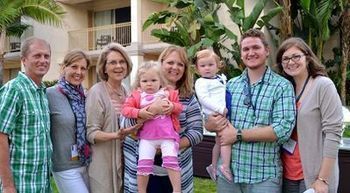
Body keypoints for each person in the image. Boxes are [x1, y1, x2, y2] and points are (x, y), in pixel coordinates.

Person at [205, 28, 296, 193]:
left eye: (256, 47)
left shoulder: (282, 86)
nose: (251, 52)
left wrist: (238, 134)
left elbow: (283, 129)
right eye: (246, 49)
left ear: (267, 51)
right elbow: (213, 118)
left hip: (263, 176)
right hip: (229, 174)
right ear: (241, 54)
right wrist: (210, 123)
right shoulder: (231, 85)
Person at [123, 45, 203, 193]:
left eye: (180, 64)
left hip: (176, 170)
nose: (175, 67)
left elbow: (197, 132)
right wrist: (150, 110)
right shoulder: (139, 93)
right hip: (144, 168)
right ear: (161, 64)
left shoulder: (188, 97)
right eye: (170, 62)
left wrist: (170, 144)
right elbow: (125, 125)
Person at [276, 37, 343, 193]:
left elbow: (333, 134)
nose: (290, 62)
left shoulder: (323, 85)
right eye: (285, 59)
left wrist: (323, 179)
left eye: (296, 56)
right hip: (286, 174)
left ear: (307, 58)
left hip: (313, 177)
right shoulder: (285, 89)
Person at [122, 61, 183, 193]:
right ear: (139, 83)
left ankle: (177, 190)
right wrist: (139, 112)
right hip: (147, 138)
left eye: (153, 80)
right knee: (143, 165)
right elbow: (126, 110)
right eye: (145, 81)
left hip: (167, 136)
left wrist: (172, 106)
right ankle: (142, 191)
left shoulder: (168, 94)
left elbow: (179, 108)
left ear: (160, 81)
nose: (149, 83)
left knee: (172, 162)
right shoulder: (137, 96)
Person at [0, 37, 52, 193]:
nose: (43, 60)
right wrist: (8, 186)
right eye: (37, 56)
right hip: (20, 184)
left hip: (41, 184)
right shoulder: (14, 90)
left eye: (46, 56)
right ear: (24, 60)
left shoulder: (41, 92)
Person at [86, 42, 137, 193]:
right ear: (104, 67)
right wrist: (117, 135)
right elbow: (91, 133)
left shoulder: (127, 91)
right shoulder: (97, 92)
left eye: (122, 62)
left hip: (126, 160)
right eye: (113, 62)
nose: (118, 66)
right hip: (104, 164)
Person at [47, 50, 91, 193]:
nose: (79, 72)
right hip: (64, 166)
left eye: (83, 68)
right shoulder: (49, 94)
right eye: (74, 66)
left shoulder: (86, 96)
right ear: (63, 67)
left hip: (87, 162)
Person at [193, 49, 233, 182]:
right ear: (198, 69)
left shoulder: (219, 78)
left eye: (210, 65)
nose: (207, 68)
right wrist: (220, 108)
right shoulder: (201, 82)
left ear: (217, 65)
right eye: (203, 66)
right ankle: (225, 166)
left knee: (218, 141)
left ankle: (213, 166)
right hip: (215, 113)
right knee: (226, 139)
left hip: (222, 112)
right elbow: (204, 99)